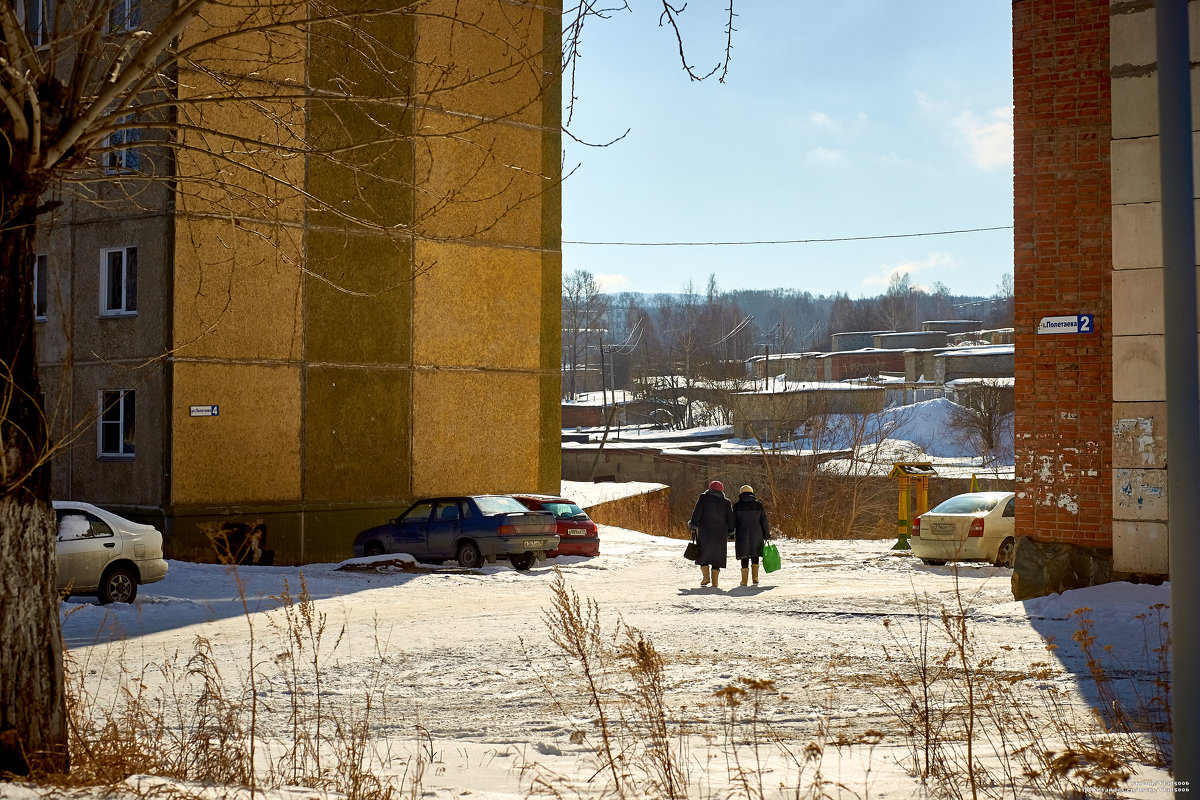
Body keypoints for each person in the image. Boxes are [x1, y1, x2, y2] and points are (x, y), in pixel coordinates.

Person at [688, 479, 734, 588]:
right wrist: (731, 530)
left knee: (703, 552)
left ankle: (706, 577)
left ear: (710, 488)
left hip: (705, 530)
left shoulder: (703, 498)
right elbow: (730, 518)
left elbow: (697, 511)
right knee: (717, 554)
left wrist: (693, 524)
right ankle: (715, 581)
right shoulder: (726, 502)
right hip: (720, 532)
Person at [732, 484, 771, 586]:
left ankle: (744, 580)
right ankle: (755, 578)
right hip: (757, 534)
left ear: (740, 493)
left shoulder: (736, 506)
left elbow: (732, 522)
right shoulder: (758, 505)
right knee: (755, 555)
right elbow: (764, 521)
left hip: (742, 533)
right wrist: (766, 534)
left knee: (744, 556)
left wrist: (731, 532)